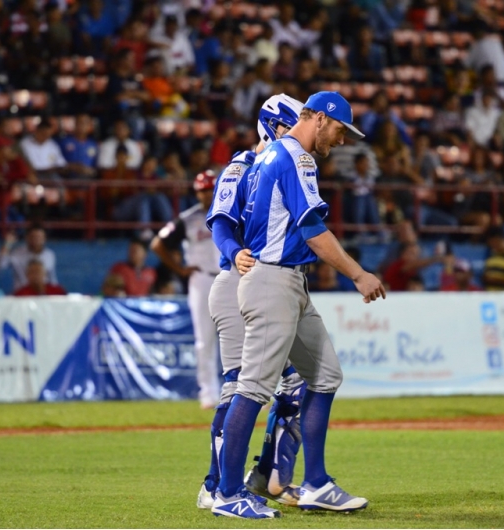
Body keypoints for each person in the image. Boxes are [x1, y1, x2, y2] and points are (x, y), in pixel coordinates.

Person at [212, 91, 384, 518]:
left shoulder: (270, 156)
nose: (342, 141)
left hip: (282, 280)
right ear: (321, 119)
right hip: (272, 282)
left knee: (325, 375)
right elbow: (311, 228)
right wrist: (358, 273)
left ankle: (315, 484)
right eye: (341, 130)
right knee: (253, 387)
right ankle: (229, 493)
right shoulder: (297, 157)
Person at [200, 94, 308, 512]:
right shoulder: (241, 165)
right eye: (287, 127)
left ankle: (266, 475)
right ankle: (216, 486)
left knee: (296, 382)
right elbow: (222, 219)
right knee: (240, 385)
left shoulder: (290, 163)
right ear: (270, 126)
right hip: (238, 280)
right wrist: (233, 249)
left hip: (272, 284)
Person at [151, 171, 222, 410]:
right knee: (205, 339)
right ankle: (209, 393)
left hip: (230, 277)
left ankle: (246, 392)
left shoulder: (233, 213)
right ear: (196, 192)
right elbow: (158, 244)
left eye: (210, 188)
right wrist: (179, 269)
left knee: (242, 337)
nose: (207, 194)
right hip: (201, 278)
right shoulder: (188, 219)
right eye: (202, 190)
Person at [0, 224, 58, 291]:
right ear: (27, 238)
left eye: (39, 237)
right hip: (21, 293)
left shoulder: (49, 254)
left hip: (42, 294)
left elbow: (52, 278)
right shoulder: (17, 253)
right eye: (33, 237)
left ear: (44, 239)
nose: (36, 240)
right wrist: (7, 244)